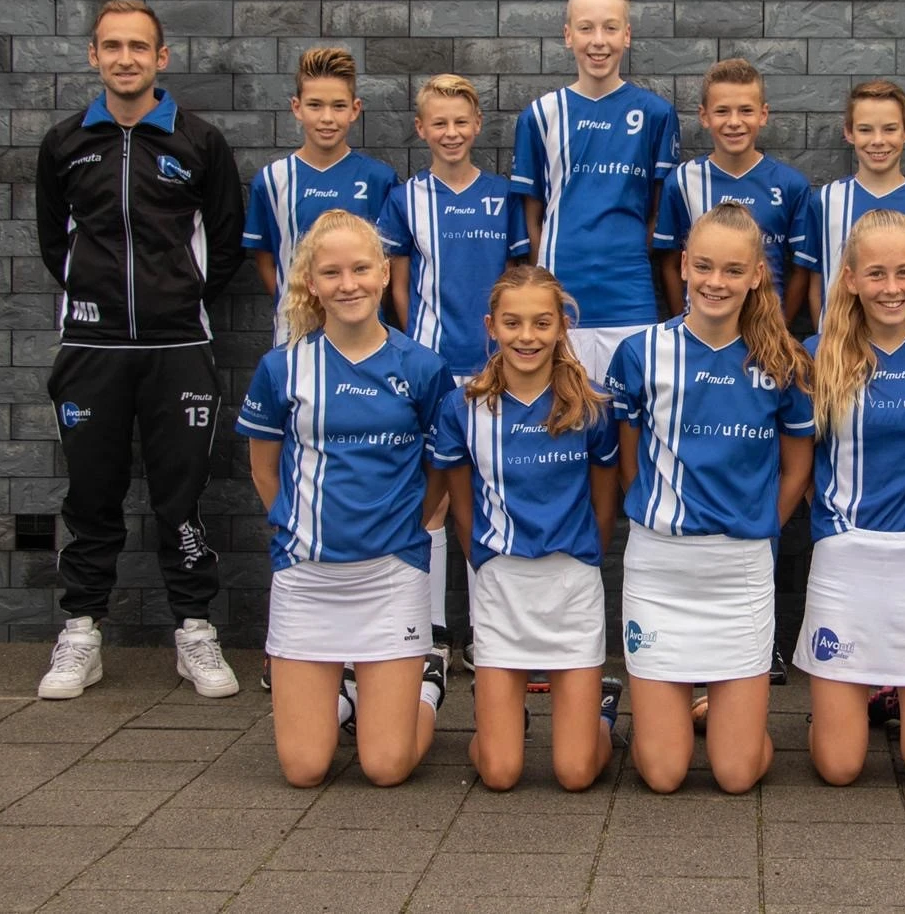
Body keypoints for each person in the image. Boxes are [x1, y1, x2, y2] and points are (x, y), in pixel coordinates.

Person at [34, 0, 243, 701]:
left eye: (139, 46)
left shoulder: (199, 143)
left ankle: (193, 629)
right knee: (91, 496)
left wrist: (176, 300)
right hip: (91, 347)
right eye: (112, 46)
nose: (126, 57)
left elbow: (224, 240)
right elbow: (51, 242)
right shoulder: (66, 144)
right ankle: (82, 633)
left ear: (163, 57)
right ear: (94, 56)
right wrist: (92, 300)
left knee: (179, 497)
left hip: (179, 346)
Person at [235, 211, 453, 788]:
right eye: (331, 272)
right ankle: (350, 700)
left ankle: (427, 685)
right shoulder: (282, 368)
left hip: (390, 575)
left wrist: (416, 526)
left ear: (385, 273)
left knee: (386, 767)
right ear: (311, 282)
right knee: (305, 769)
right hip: (307, 580)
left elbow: (442, 470)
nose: (348, 283)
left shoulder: (424, 368)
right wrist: (303, 532)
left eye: (361, 268)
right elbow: (263, 471)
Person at [606, 202, 814, 794]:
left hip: (740, 572)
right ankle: (656, 713)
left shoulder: (784, 361)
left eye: (731, 269)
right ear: (683, 266)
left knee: (736, 773)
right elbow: (628, 458)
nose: (715, 282)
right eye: (703, 267)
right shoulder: (641, 352)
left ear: (755, 275)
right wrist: (660, 514)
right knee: (665, 774)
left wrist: (755, 526)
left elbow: (797, 469)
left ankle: (714, 713)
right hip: (660, 567)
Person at [795, 209, 905, 791]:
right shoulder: (817, 353)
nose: (890, 289)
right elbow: (795, 459)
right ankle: (840, 703)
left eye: (903, 273)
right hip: (846, 557)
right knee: (840, 769)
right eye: (875, 274)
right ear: (849, 278)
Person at [434, 267, 624, 791]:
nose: (527, 336)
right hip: (502, 587)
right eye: (513, 323)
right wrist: (485, 560)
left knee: (576, 772)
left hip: (571, 586)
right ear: (491, 326)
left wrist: (589, 552)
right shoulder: (464, 406)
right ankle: (504, 725)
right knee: (499, 772)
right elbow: (460, 497)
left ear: (562, 327)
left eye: (542, 323)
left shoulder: (591, 404)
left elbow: (605, 496)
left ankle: (600, 713)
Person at [379, 73, 530, 678]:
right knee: (435, 498)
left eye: (460, 122)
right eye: (437, 123)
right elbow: (395, 284)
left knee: (492, 498)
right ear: (421, 130)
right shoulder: (404, 198)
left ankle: (489, 631)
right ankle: (433, 631)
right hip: (434, 370)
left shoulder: (503, 195)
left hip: (495, 369)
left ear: (477, 127)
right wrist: (415, 352)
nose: (450, 132)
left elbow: (521, 277)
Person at [510, 0, 681, 379]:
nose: (598, 41)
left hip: (630, 296)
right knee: (566, 422)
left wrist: (624, 255)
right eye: (586, 28)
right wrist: (546, 282)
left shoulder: (656, 114)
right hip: (560, 297)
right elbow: (533, 216)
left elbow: (657, 212)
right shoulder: (541, 115)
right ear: (568, 36)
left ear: (627, 35)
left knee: (628, 421)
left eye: (609, 28)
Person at [244, 47, 399, 346]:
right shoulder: (273, 180)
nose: (327, 118)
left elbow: (388, 261)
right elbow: (266, 259)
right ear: (296, 107)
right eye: (315, 105)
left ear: (354, 109)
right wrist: (298, 302)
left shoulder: (379, 179)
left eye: (338, 106)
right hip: (295, 336)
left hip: (365, 336)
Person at [794, 80, 905, 326]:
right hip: (840, 351)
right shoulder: (825, 200)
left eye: (889, 129)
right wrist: (823, 342)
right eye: (865, 130)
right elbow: (816, 281)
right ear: (849, 132)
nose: (877, 140)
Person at [654, 58, 812, 322]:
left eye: (746, 111)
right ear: (704, 116)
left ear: (763, 114)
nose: (734, 122)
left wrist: (781, 326)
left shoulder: (790, 185)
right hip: (700, 327)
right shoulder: (681, 181)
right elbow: (669, 264)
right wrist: (682, 320)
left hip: (765, 331)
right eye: (722, 111)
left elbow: (801, 268)